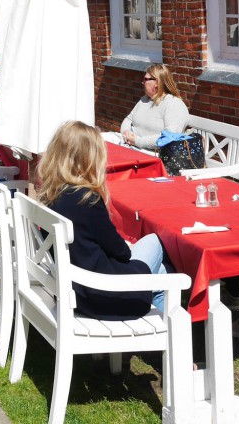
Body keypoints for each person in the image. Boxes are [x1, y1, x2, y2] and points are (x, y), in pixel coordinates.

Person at [37, 121, 170, 318]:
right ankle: (170, 334)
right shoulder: (85, 200)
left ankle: (165, 334)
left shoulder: (51, 193)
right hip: (100, 293)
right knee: (157, 246)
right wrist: (127, 247)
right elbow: (121, 252)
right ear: (90, 159)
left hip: (76, 288)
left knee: (162, 271)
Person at [120, 64, 190, 149]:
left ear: (157, 83)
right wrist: (126, 131)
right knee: (102, 139)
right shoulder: (144, 99)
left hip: (154, 154)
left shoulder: (174, 104)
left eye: (145, 79)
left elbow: (168, 138)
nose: (142, 82)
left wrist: (137, 141)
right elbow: (128, 119)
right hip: (132, 146)